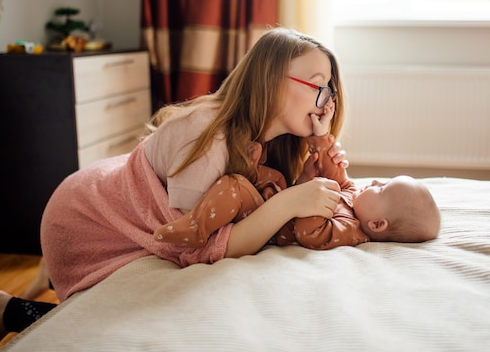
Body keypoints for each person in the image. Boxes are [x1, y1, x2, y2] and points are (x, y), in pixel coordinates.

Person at [0, 27, 349, 352]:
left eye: (329, 88)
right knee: (125, 317)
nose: (328, 99)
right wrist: (287, 202)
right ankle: (5, 311)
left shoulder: (271, 142)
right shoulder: (206, 132)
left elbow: (255, 214)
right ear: (269, 80)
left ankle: (21, 297)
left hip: (117, 197)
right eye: (318, 85)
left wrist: (306, 176)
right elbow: (200, 247)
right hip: (88, 223)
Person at [154, 99, 440, 250]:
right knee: (260, 175)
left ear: (377, 224)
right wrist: (321, 138)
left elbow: (309, 234)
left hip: (269, 222)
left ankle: (195, 228)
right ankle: (198, 219)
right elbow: (338, 177)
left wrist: (312, 201)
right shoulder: (356, 199)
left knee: (235, 186)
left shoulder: (350, 231)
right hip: (275, 196)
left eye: (382, 189)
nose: (375, 182)